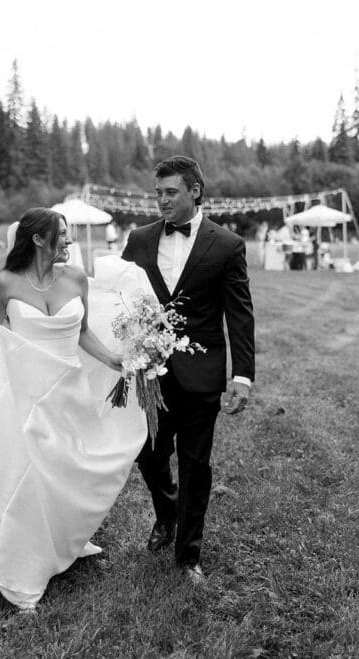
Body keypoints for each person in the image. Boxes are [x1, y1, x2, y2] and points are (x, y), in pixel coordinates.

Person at [0, 208, 149, 611]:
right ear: (37, 239)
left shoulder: (74, 279)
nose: (69, 242)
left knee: (69, 473)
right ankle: (21, 576)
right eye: (62, 235)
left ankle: (66, 539)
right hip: (22, 395)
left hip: (69, 393)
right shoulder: (4, 282)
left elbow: (82, 332)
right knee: (27, 480)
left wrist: (113, 360)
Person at [121, 156, 255, 583]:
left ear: (195, 191)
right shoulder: (138, 240)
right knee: (149, 455)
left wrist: (243, 375)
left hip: (202, 374)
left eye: (170, 192)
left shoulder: (227, 245)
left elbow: (240, 315)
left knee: (197, 464)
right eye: (158, 193)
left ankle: (188, 556)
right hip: (150, 373)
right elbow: (118, 298)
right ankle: (166, 514)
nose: (161, 201)